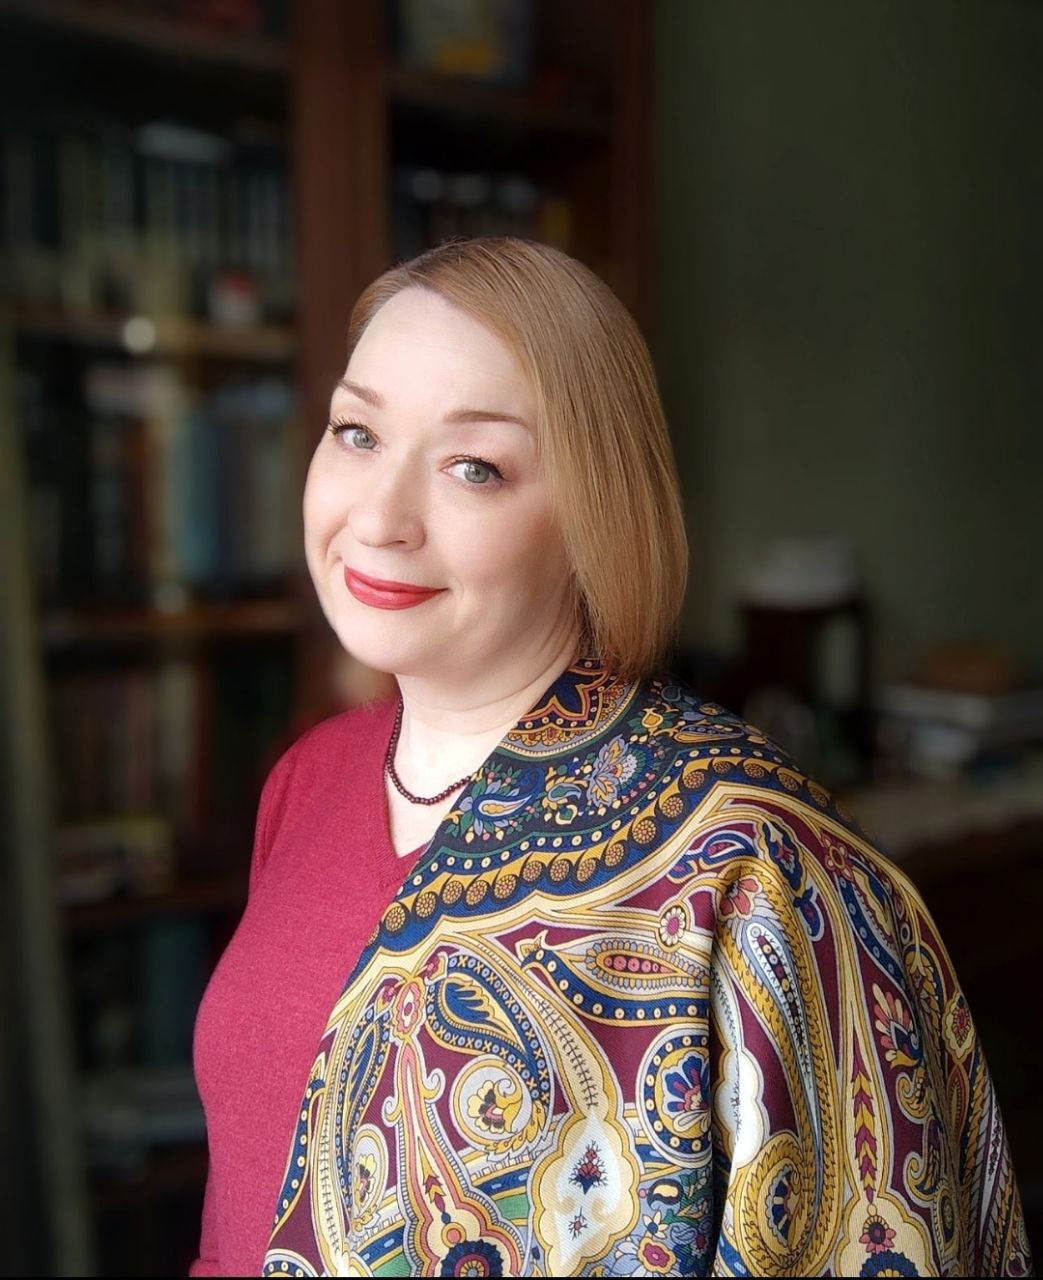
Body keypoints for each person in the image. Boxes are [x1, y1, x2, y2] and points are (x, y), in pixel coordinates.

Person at [191, 238, 1030, 1278]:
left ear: (595, 513)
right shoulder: (309, 777)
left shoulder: (750, 860)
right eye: (356, 433)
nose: (378, 516)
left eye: (474, 467)